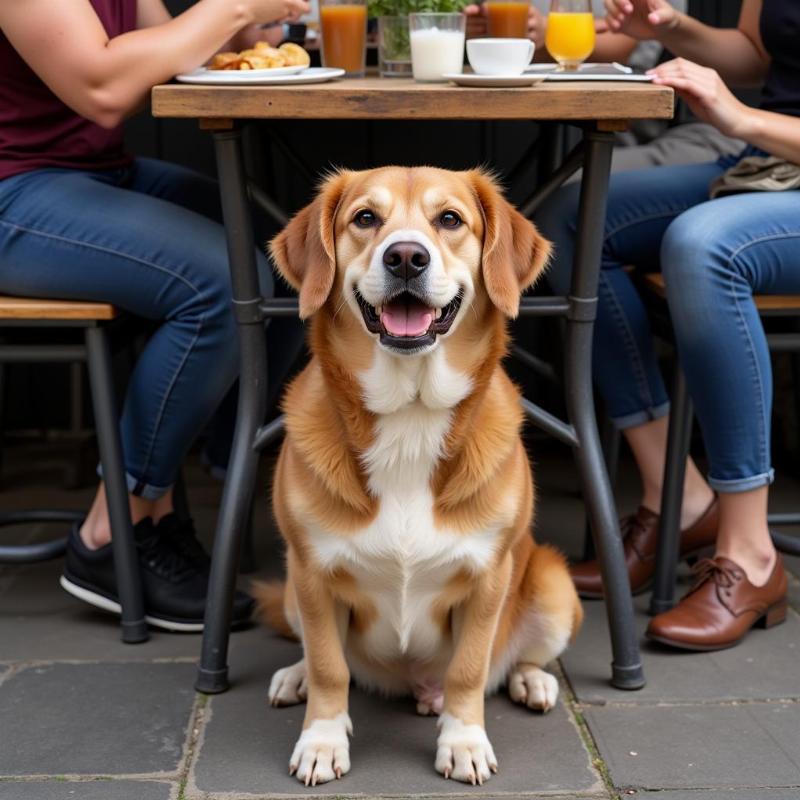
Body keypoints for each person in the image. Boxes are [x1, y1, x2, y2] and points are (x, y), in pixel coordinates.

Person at [0, 0, 309, 631]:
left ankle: (203, 498)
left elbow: (164, 52)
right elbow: (105, 86)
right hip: (14, 190)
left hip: (94, 175)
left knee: (295, 257)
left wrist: (251, 26)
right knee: (220, 286)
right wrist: (233, 8)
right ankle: (111, 532)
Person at [536, 0, 798, 651]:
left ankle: (752, 557)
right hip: (768, 165)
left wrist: (742, 117)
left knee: (704, 246)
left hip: (768, 149)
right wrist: (671, 31)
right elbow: (756, 53)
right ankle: (678, 497)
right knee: (566, 219)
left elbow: (750, 96)